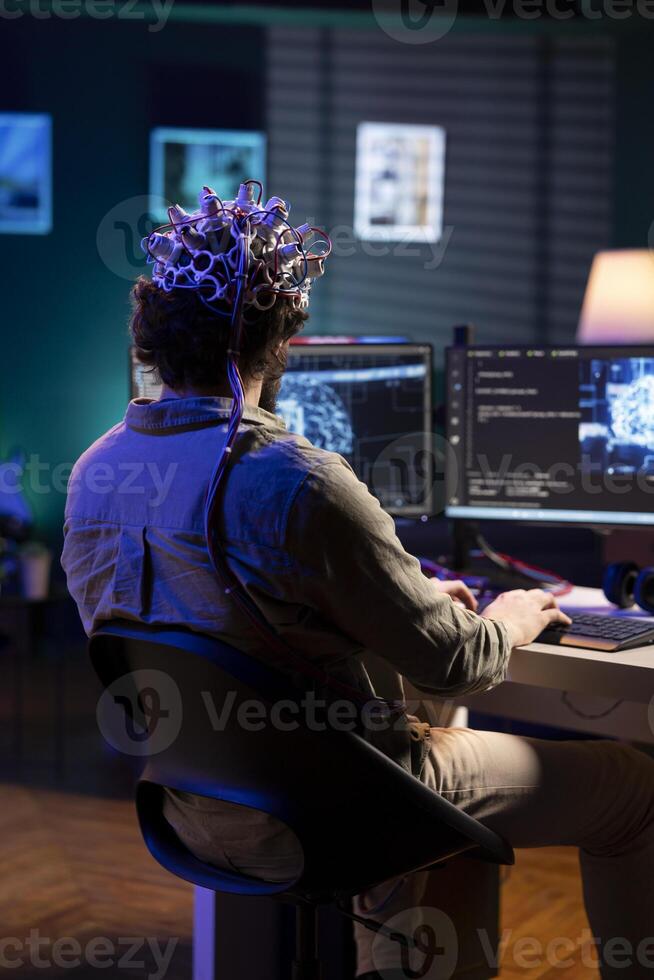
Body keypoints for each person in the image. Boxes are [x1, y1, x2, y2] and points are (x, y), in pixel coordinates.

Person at [62, 185, 654, 980]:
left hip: (191, 799)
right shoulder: (297, 481)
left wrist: (401, 608)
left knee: (436, 736)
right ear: (280, 344)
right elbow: (458, 661)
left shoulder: (93, 473)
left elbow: (201, 635)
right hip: (330, 809)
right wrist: (508, 616)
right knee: (636, 787)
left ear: (152, 338)